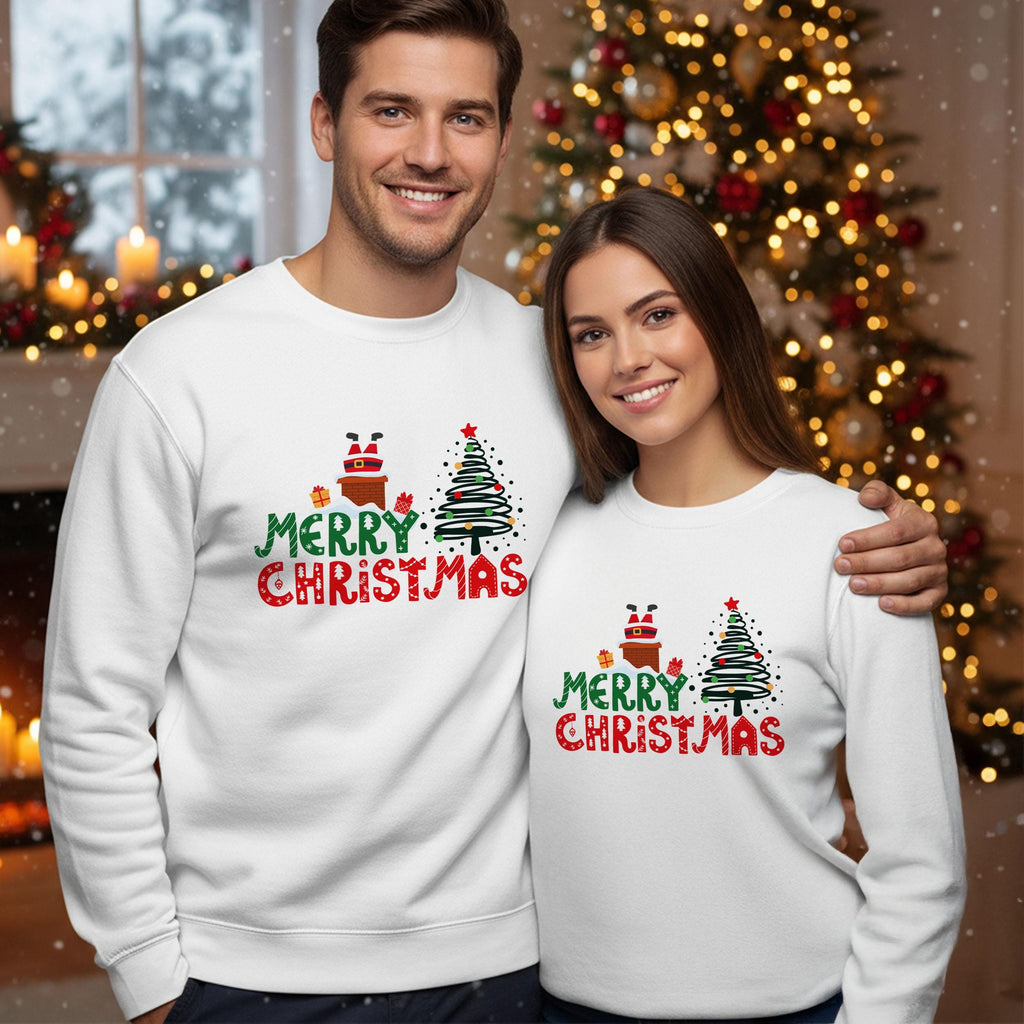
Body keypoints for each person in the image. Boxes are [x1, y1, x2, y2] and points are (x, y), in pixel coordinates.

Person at [40, 2, 947, 1022]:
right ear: (324, 124)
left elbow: (703, 512)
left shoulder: (554, 362)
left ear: (502, 140)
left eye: (465, 118)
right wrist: (149, 972)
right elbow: (92, 704)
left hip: (505, 974)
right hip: (247, 978)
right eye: (392, 110)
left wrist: (875, 538)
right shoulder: (180, 375)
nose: (428, 153)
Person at [524, 187, 966, 1024]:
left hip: (797, 1007)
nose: (627, 358)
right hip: (564, 1008)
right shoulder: (550, 542)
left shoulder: (855, 547)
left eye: (658, 315)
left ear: (720, 314)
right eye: (591, 334)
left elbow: (920, 863)